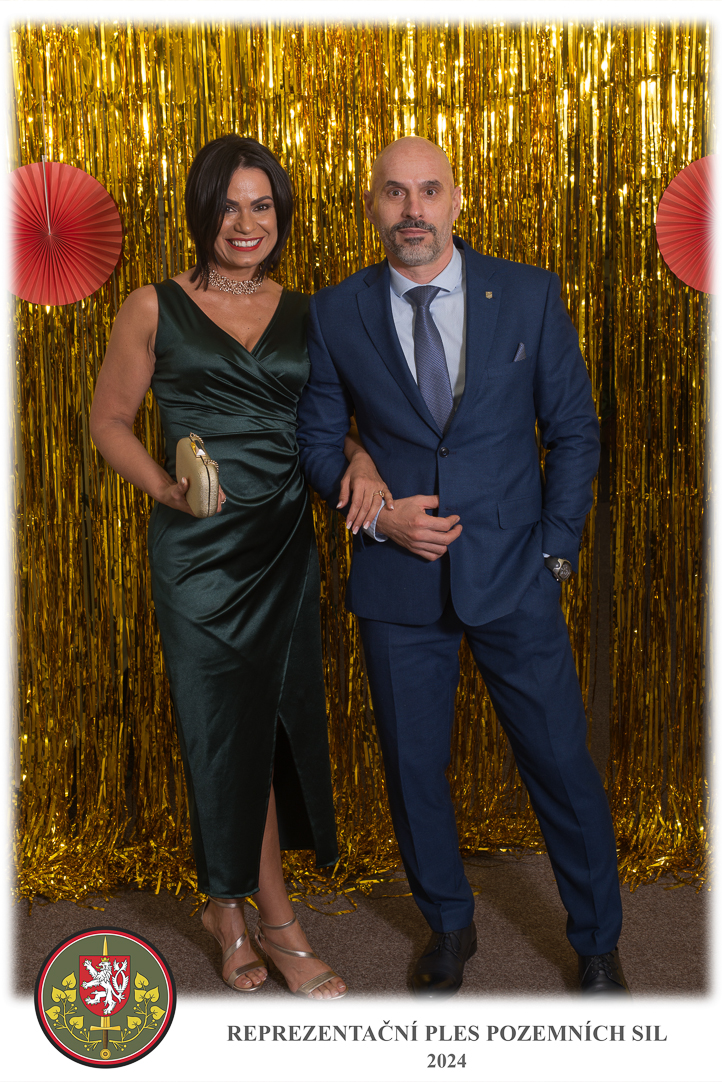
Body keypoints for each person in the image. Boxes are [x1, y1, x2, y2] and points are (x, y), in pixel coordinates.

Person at [296, 136, 629, 998]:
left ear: (455, 199)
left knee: (560, 764)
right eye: (394, 193)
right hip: (397, 583)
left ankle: (598, 942)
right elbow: (317, 440)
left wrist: (555, 550)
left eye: (429, 191)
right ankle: (448, 926)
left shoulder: (527, 293)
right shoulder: (335, 312)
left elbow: (574, 430)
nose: (413, 210)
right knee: (414, 772)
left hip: (517, 573)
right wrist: (377, 511)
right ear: (371, 205)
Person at [90, 134, 388, 999]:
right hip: (199, 555)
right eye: (228, 206)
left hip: (284, 546)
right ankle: (276, 922)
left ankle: (229, 908)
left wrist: (364, 460)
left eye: (261, 206)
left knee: (274, 724)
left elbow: (332, 425)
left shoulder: (312, 312)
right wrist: (167, 490)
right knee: (225, 728)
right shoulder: (152, 306)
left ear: (280, 215)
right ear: (202, 212)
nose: (245, 223)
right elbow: (109, 420)